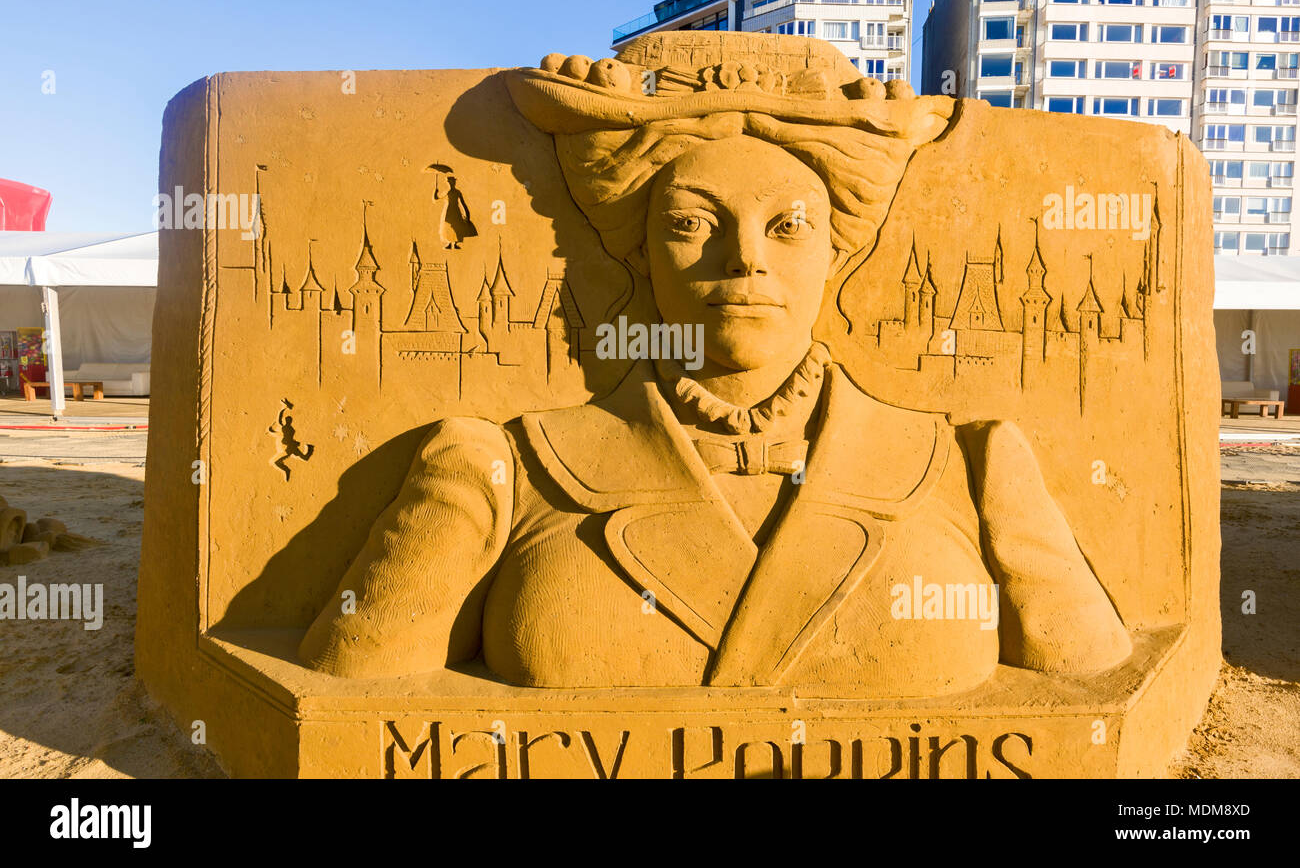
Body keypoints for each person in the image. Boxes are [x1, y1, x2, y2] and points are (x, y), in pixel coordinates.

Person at [299, 37, 1132, 695]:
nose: (744, 262)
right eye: (694, 225)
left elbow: (1090, 692)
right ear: (638, 249)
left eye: (788, 226)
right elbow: (346, 709)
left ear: (839, 254)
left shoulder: (969, 465)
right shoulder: (500, 467)